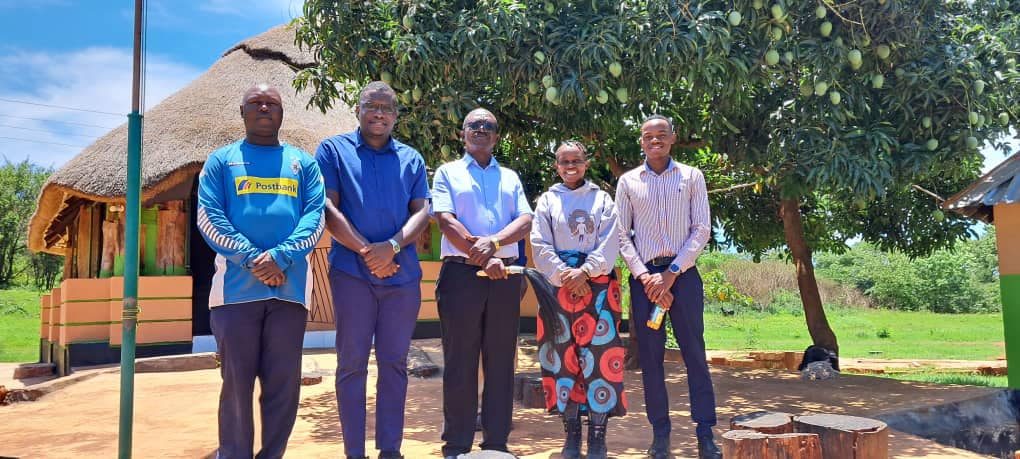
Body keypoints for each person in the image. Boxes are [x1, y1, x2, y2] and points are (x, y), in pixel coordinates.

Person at [197, 84, 326, 459]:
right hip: (235, 294)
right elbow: (209, 217)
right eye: (256, 103)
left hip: (290, 292)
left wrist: (281, 257)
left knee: (283, 385)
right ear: (242, 112)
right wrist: (254, 258)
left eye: (272, 103)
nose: (264, 108)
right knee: (236, 384)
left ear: (282, 113)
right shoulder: (221, 161)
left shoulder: (304, 164)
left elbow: (315, 218)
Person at [314, 81, 430, 459]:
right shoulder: (332, 151)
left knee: (394, 363)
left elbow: (423, 211)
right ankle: (354, 452)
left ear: (396, 115)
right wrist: (368, 251)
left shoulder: (412, 159)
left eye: (387, 107)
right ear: (358, 110)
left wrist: (391, 247)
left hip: (402, 277)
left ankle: (390, 450)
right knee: (351, 364)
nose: (379, 113)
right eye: (372, 106)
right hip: (352, 274)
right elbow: (328, 208)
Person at [615, 115, 722, 459]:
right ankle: (660, 435)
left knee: (695, 355)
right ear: (641, 142)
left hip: (683, 278)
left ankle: (705, 433)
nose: (655, 140)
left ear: (673, 138)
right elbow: (621, 234)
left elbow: (701, 228)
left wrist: (672, 273)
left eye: (662, 134)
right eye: (648, 136)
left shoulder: (691, 177)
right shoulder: (628, 182)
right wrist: (645, 276)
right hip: (645, 282)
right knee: (651, 360)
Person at [431, 108, 534, 458]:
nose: (480, 129)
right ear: (462, 134)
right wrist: (485, 257)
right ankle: (456, 445)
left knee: (501, 361)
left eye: (488, 126)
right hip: (461, 277)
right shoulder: (447, 173)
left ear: (496, 136)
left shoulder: (510, 177)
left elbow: (525, 220)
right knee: (460, 361)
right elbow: (446, 221)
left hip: (505, 278)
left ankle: (496, 444)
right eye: (473, 125)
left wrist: (495, 244)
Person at [529, 141, 627, 459]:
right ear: (556, 166)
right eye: (564, 161)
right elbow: (539, 244)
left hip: (598, 287)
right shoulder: (547, 201)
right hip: (557, 289)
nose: (570, 166)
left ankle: (597, 437)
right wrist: (565, 274)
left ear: (586, 163)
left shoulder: (602, 199)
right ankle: (571, 435)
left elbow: (610, 241)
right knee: (564, 358)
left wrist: (585, 272)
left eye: (576, 160)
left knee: (600, 358)